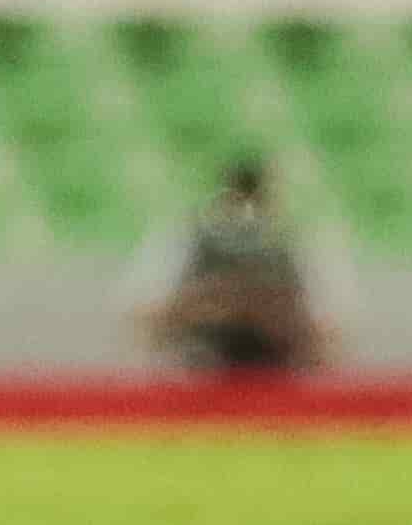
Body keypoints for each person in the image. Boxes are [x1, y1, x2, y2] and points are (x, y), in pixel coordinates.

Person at [131, 158, 340, 376]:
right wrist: (218, 304)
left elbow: (317, 315)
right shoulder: (196, 239)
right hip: (207, 349)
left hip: (274, 351)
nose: (246, 210)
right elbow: (156, 308)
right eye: (240, 197)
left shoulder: (287, 243)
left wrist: (265, 310)